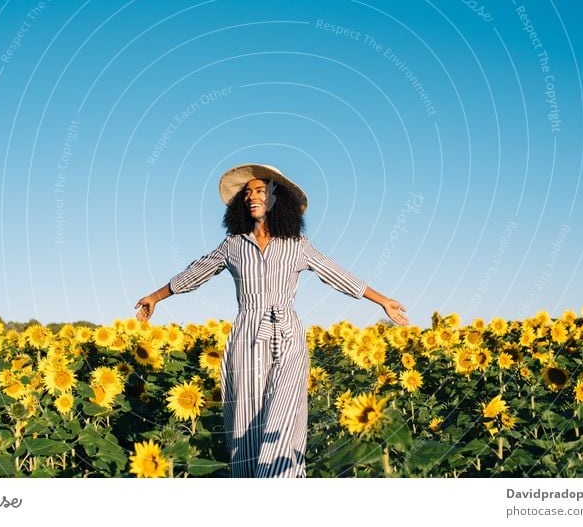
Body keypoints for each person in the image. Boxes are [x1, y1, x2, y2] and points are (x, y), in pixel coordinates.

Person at [134, 163, 408, 478]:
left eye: (260, 191)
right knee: (244, 422)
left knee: (285, 415)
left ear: (277, 199)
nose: (252, 197)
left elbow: (336, 273)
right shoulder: (233, 245)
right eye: (247, 193)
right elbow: (195, 273)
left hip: (288, 335)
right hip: (246, 335)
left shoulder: (297, 245)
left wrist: (383, 300)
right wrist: (155, 297)